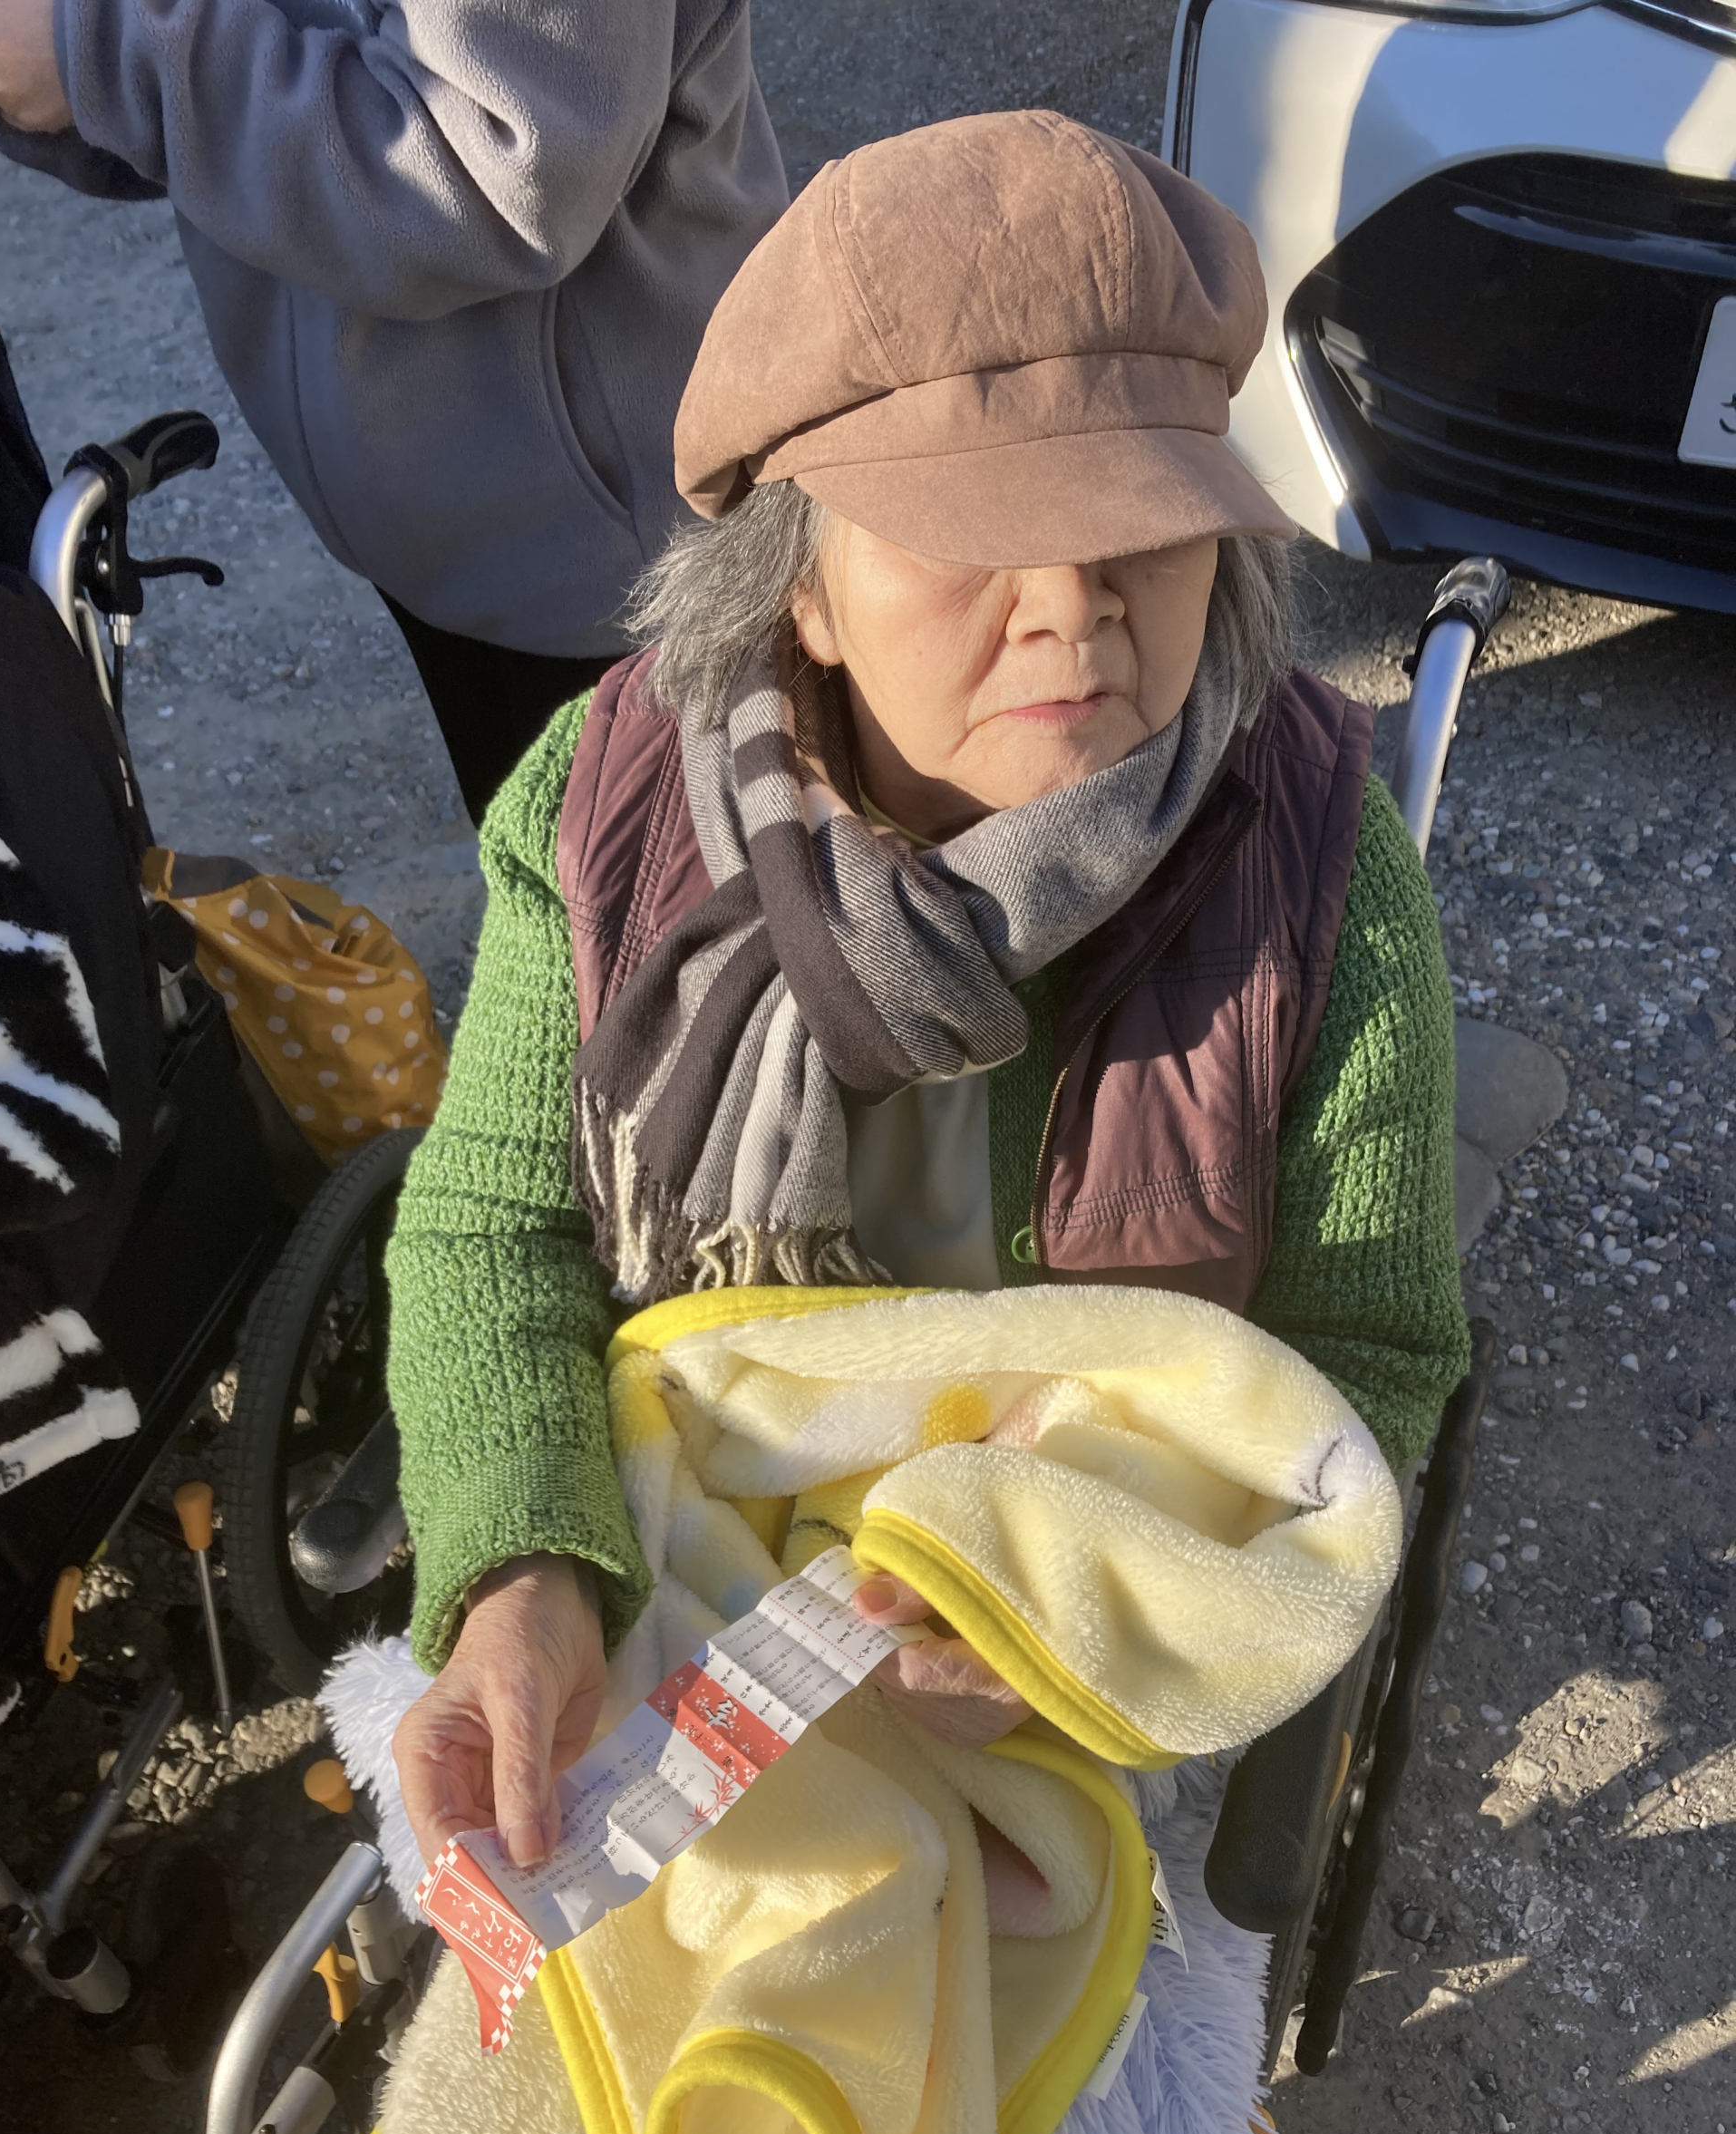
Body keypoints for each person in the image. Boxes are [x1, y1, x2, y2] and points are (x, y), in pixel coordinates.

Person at [379, 106, 1470, 1916]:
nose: (1075, 611)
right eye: (981, 532)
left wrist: (1082, 1601)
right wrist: (522, 1568)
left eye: (1143, 524)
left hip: (1080, 1627)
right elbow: (495, 1228)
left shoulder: (1318, 877)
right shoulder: (606, 812)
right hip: (683, 1560)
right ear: (800, 580)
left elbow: (1371, 1350)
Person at [0, 0, 786, 824]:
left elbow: (499, 173)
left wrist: (101, 55)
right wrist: (71, 70)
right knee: (536, 853)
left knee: (667, 887)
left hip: (630, 565)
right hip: (459, 524)